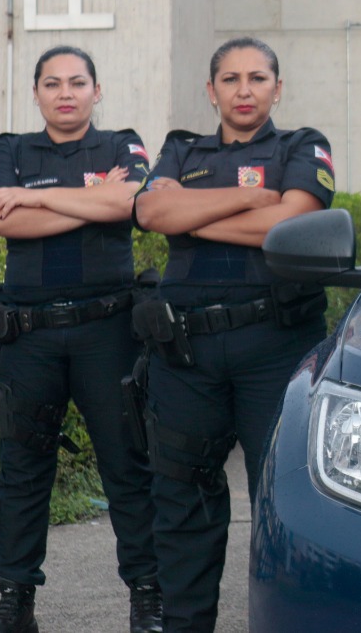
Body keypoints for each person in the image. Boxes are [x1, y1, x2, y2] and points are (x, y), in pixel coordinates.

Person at [132, 37, 335, 633]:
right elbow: (150, 214)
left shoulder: (302, 145)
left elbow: (292, 221)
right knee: (180, 503)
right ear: (211, 89)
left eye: (257, 78)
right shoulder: (179, 148)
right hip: (185, 352)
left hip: (274, 349)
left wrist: (192, 210)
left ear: (278, 86)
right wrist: (250, 197)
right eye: (230, 79)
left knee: (283, 502)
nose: (243, 90)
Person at [0, 45, 162, 633]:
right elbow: (0, 219)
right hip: (29, 338)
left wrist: (33, 194)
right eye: (51, 83)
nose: (65, 92)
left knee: (128, 465)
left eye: (77, 82)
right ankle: (15, 602)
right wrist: (90, 202)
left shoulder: (120, 145)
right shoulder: (12, 148)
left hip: (106, 332)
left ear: (96, 91)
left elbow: (130, 200)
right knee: (22, 471)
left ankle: (148, 595)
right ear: (36, 94)